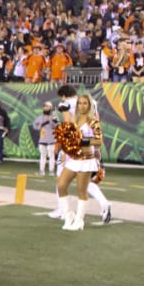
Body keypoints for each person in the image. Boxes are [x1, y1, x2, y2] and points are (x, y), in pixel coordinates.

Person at [48, 85, 111, 223]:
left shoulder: (66, 104)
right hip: (91, 146)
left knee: (61, 179)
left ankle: (62, 210)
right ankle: (104, 203)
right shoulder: (90, 102)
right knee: (85, 181)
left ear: (64, 95)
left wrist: (65, 149)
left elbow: (69, 126)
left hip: (77, 146)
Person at [56, 94, 102, 231]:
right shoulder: (74, 121)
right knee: (61, 185)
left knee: (81, 191)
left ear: (89, 106)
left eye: (85, 103)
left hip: (86, 159)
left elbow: (99, 140)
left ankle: (79, 220)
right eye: (80, 103)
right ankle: (69, 215)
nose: (82, 106)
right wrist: (65, 152)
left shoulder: (93, 121)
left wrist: (85, 140)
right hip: (73, 158)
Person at [33, 101, 58, 176]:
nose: (46, 108)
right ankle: (41, 171)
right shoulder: (39, 117)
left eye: (48, 107)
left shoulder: (54, 117)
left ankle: (51, 171)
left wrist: (52, 121)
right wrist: (39, 126)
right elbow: (35, 126)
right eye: (45, 106)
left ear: (51, 108)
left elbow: (56, 126)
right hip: (42, 139)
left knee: (51, 156)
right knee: (42, 155)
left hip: (51, 139)